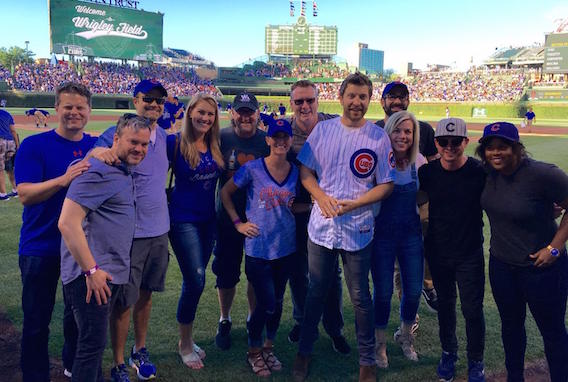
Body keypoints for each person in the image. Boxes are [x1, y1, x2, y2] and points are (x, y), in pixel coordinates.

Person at [293, 73, 394, 382]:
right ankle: (304, 352)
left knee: (360, 298)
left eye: (363, 97)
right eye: (352, 95)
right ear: (341, 97)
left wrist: (357, 203)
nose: (357, 102)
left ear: (369, 100)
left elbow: (386, 184)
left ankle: (367, 362)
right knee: (316, 292)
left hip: (358, 228)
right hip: (321, 228)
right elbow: (306, 172)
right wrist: (320, 196)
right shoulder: (323, 130)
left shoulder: (378, 137)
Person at [58, 114, 151, 382]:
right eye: (134, 142)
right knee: (90, 350)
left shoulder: (120, 170)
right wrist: (91, 271)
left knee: (90, 349)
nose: (139, 149)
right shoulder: (98, 171)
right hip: (92, 278)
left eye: (144, 145)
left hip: (104, 274)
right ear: (116, 139)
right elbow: (67, 223)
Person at [15, 82, 97, 381]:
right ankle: (35, 375)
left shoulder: (96, 145)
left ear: (88, 111)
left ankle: (72, 366)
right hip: (41, 247)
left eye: (79, 107)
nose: (74, 112)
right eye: (68, 107)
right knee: (37, 321)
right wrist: (64, 179)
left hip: (80, 249)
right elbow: (25, 193)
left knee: (79, 319)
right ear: (56, 109)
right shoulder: (35, 145)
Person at [476, 122, 568, 382]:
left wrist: (555, 247)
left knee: (552, 332)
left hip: (542, 270)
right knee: (511, 329)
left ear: (516, 148)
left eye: (503, 147)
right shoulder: (486, 173)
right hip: (502, 266)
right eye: (490, 148)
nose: (496, 153)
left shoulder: (543, 174)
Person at [94, 79, 170, 382]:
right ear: (135, 100)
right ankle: (118, 361)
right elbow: (94, 154)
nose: (153, 104)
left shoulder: (163, 136)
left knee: (146, 296)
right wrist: (97, 153)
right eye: (147, 99)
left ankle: (140, 350)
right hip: (130, 235)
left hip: (158, 231)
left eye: (159, 100)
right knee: (124, 301)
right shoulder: (115, 135)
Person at [221, 118, 298, 378]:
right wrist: (238, 223)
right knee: (265, 303)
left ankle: (268, 346)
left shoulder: (296, 171)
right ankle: (254, 351)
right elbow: (226, 193)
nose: (280, 141)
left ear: (290, 140)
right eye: (275, 137)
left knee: (276, 301)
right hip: (258, 248)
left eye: (284, 137)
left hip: (286, 247)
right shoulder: (253, 169)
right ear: (267, 140)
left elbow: (294, 204)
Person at [418, 118, 486, 382]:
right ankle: (449, 353)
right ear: (436, 143)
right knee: (446, 307)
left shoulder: (479, 171)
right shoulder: (428, 173)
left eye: (455, 141)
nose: (449, 147)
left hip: (469, 253)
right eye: (443, 142)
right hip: (438, 252)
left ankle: (476, 361)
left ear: (465, 142)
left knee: (472, 310)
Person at [286, 79, 349, 354]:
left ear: (318, 100)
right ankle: (301, 320)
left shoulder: (335, 124)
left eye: (309, 100)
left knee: (330, 275)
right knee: (298, 273)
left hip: (329, 213)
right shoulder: (282, 133)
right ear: (291, 104)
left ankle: (334, 328)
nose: (304, 106)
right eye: (299, 101)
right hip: (297, 213)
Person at [167, 93, 224, 370]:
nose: (205, 118)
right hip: (182, 220)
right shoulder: (175, 143)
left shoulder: (215, 143)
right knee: (197, 280)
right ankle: (185, 344)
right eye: (201, 112)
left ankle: (187, 340)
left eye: (210, 114)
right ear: (190, 113)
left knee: (195, 281)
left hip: (208, 220)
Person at [375, 81, 439, 317]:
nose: (397, 101)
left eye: (402, 97)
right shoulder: (374, 131)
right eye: (391, 96)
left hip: (418, 205)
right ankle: (408, 317)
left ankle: (425, 289)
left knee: (424, 249)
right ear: (382, 101)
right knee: (394, 271)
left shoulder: (422, 129)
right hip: (385, 208)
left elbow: (435, 167)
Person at [211, 91, 269, 350]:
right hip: (228, 219)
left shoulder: (266, 141)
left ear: (257, 113)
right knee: (226, 274)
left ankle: (251, 319)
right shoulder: (220, 137)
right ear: (232, 113)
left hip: (259, 220)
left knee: (256, 275)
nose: (245, 116)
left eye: (250, 111)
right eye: (241, 111)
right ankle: (225, 319)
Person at [372, 111, 426, 368]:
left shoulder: (420, 163)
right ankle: (379, 344)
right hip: (382, 235)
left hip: (411, 236)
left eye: (408, 131)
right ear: (388, 133)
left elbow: (428, 200)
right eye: (398, 130)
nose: (403, 136)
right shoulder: (378, 162)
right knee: (382, 293)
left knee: (413, 291)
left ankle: (405, 337)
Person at [0, 108, 18, 200]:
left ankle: (3, 194)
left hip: (0, 142)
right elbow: (13, 131)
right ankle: (16, 190)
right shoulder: (6, 114)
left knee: (0, 169)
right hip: (10, 142)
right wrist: (17, 145)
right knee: (9, 168)